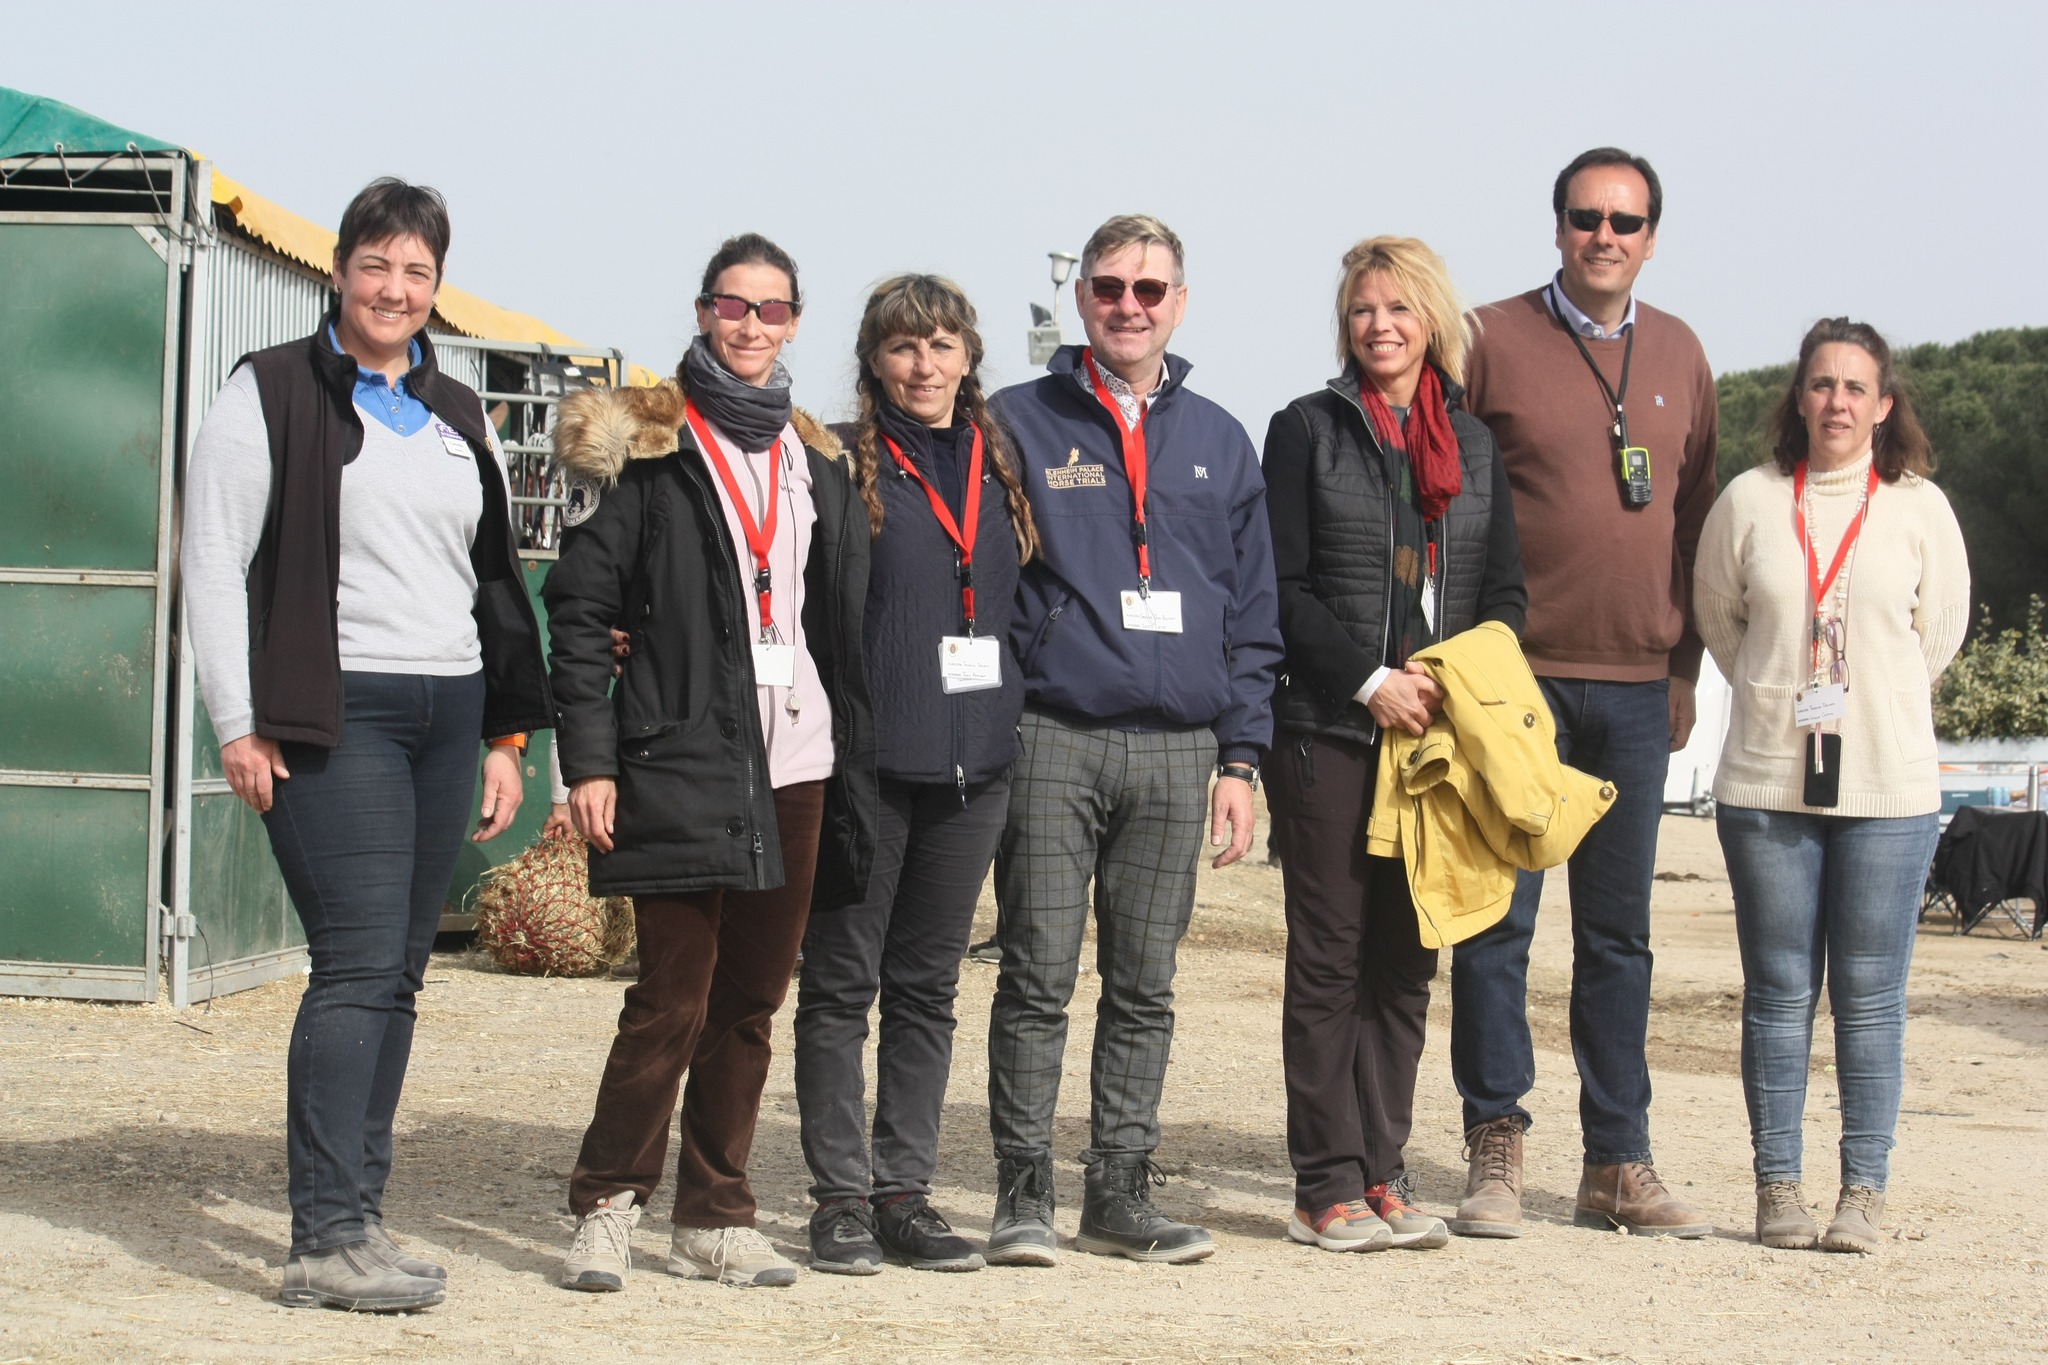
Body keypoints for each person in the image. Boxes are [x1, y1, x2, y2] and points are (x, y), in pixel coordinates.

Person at [182, 178, 552, 1311]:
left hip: (449, 710)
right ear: (339, 269)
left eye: (417, 271)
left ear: (437, 286)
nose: (395, 289)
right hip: (333, 711)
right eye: (376, 265)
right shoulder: (269, 390)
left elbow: (493, 577)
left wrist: (503, 735)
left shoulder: (458, 410)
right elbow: (213, 559)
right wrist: (236, 721)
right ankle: (321, 1239)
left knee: (398, 970)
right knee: (352, 963)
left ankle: (361, 1217)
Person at [546, 233, 876, 1292]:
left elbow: (830, 614)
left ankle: (713, 1216)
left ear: (794, 324)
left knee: (749, 1002)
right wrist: (589, 762)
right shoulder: (646, 444)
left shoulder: (815, 459)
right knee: (670, 1000)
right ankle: (607, 1204)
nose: (750, 326)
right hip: (681, 754)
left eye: (772, 310)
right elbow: (580, 611)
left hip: (798, 757)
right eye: (733, 306)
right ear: (702, 313)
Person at [983, 214, 1283, 1266]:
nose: (1127, 306)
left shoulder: (1220, 439)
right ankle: (1022, 1190)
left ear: (1179, 304)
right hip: (1051, 735)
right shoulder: (1016, 421)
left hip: (1179, 748)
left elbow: (1253, 612)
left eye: (1149, 290)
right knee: (1036, 974)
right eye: (1108, 287)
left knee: (1145, 984)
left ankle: (1119, 1189)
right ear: (1081, 299)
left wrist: (1241, 757)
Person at [1448, 147, 1720, 1239]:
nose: (1604, 236)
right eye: (1585, 217)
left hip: (1637, 688)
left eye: (1625, 220)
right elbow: (1443, 495)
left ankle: (1616, 1158)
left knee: (1618, 939)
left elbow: (1694, 520)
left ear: (1651, 237)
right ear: (1556, 225)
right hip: (1517, 684)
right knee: (1497, 927)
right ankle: (1494, 1143)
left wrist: (1685, 668)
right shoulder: (1486, 339)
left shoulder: (1682, 352)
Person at [1261, 236, 1526, 1253]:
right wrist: (1370, 682)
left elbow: (1503, 596)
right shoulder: (1305, 429)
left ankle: (1383, 1171)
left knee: (1406, 963)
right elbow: (1282, 588)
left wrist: (1450, 683)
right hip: (1330, 729)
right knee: (1330, 959)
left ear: (1433, 322)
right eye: (1363, 309)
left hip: (1434, 743)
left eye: (1399, 308)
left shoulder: (1476, 447)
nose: (1380, 325)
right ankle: (1323, 1184)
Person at [1694, 319, 1969, 1253]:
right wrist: (1787, 694)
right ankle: (1778, 1188)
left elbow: (1938, 635)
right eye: (1821, 384)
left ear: (1884, 405)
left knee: (1870, 997)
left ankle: (1861, 1193)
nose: (1837, 402)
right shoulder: (1749, 499)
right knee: (1777, 994)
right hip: (1768, 785)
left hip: (1890, 791)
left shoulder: (1921, 508)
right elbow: (1721, 622)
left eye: (1856, 387)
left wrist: (1870, 703)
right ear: (1798, 398)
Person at [792, 275, 1040, 1275]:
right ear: (873, 361)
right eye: (902, 347)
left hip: (974, 770)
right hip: (870, 767)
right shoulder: (839, 463)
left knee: (927, 990)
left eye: (941, 344)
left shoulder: (1000, 461)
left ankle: (903, 1192)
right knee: (839, 987)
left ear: (969, 355)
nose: (923, 364)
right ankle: (839, 1199)